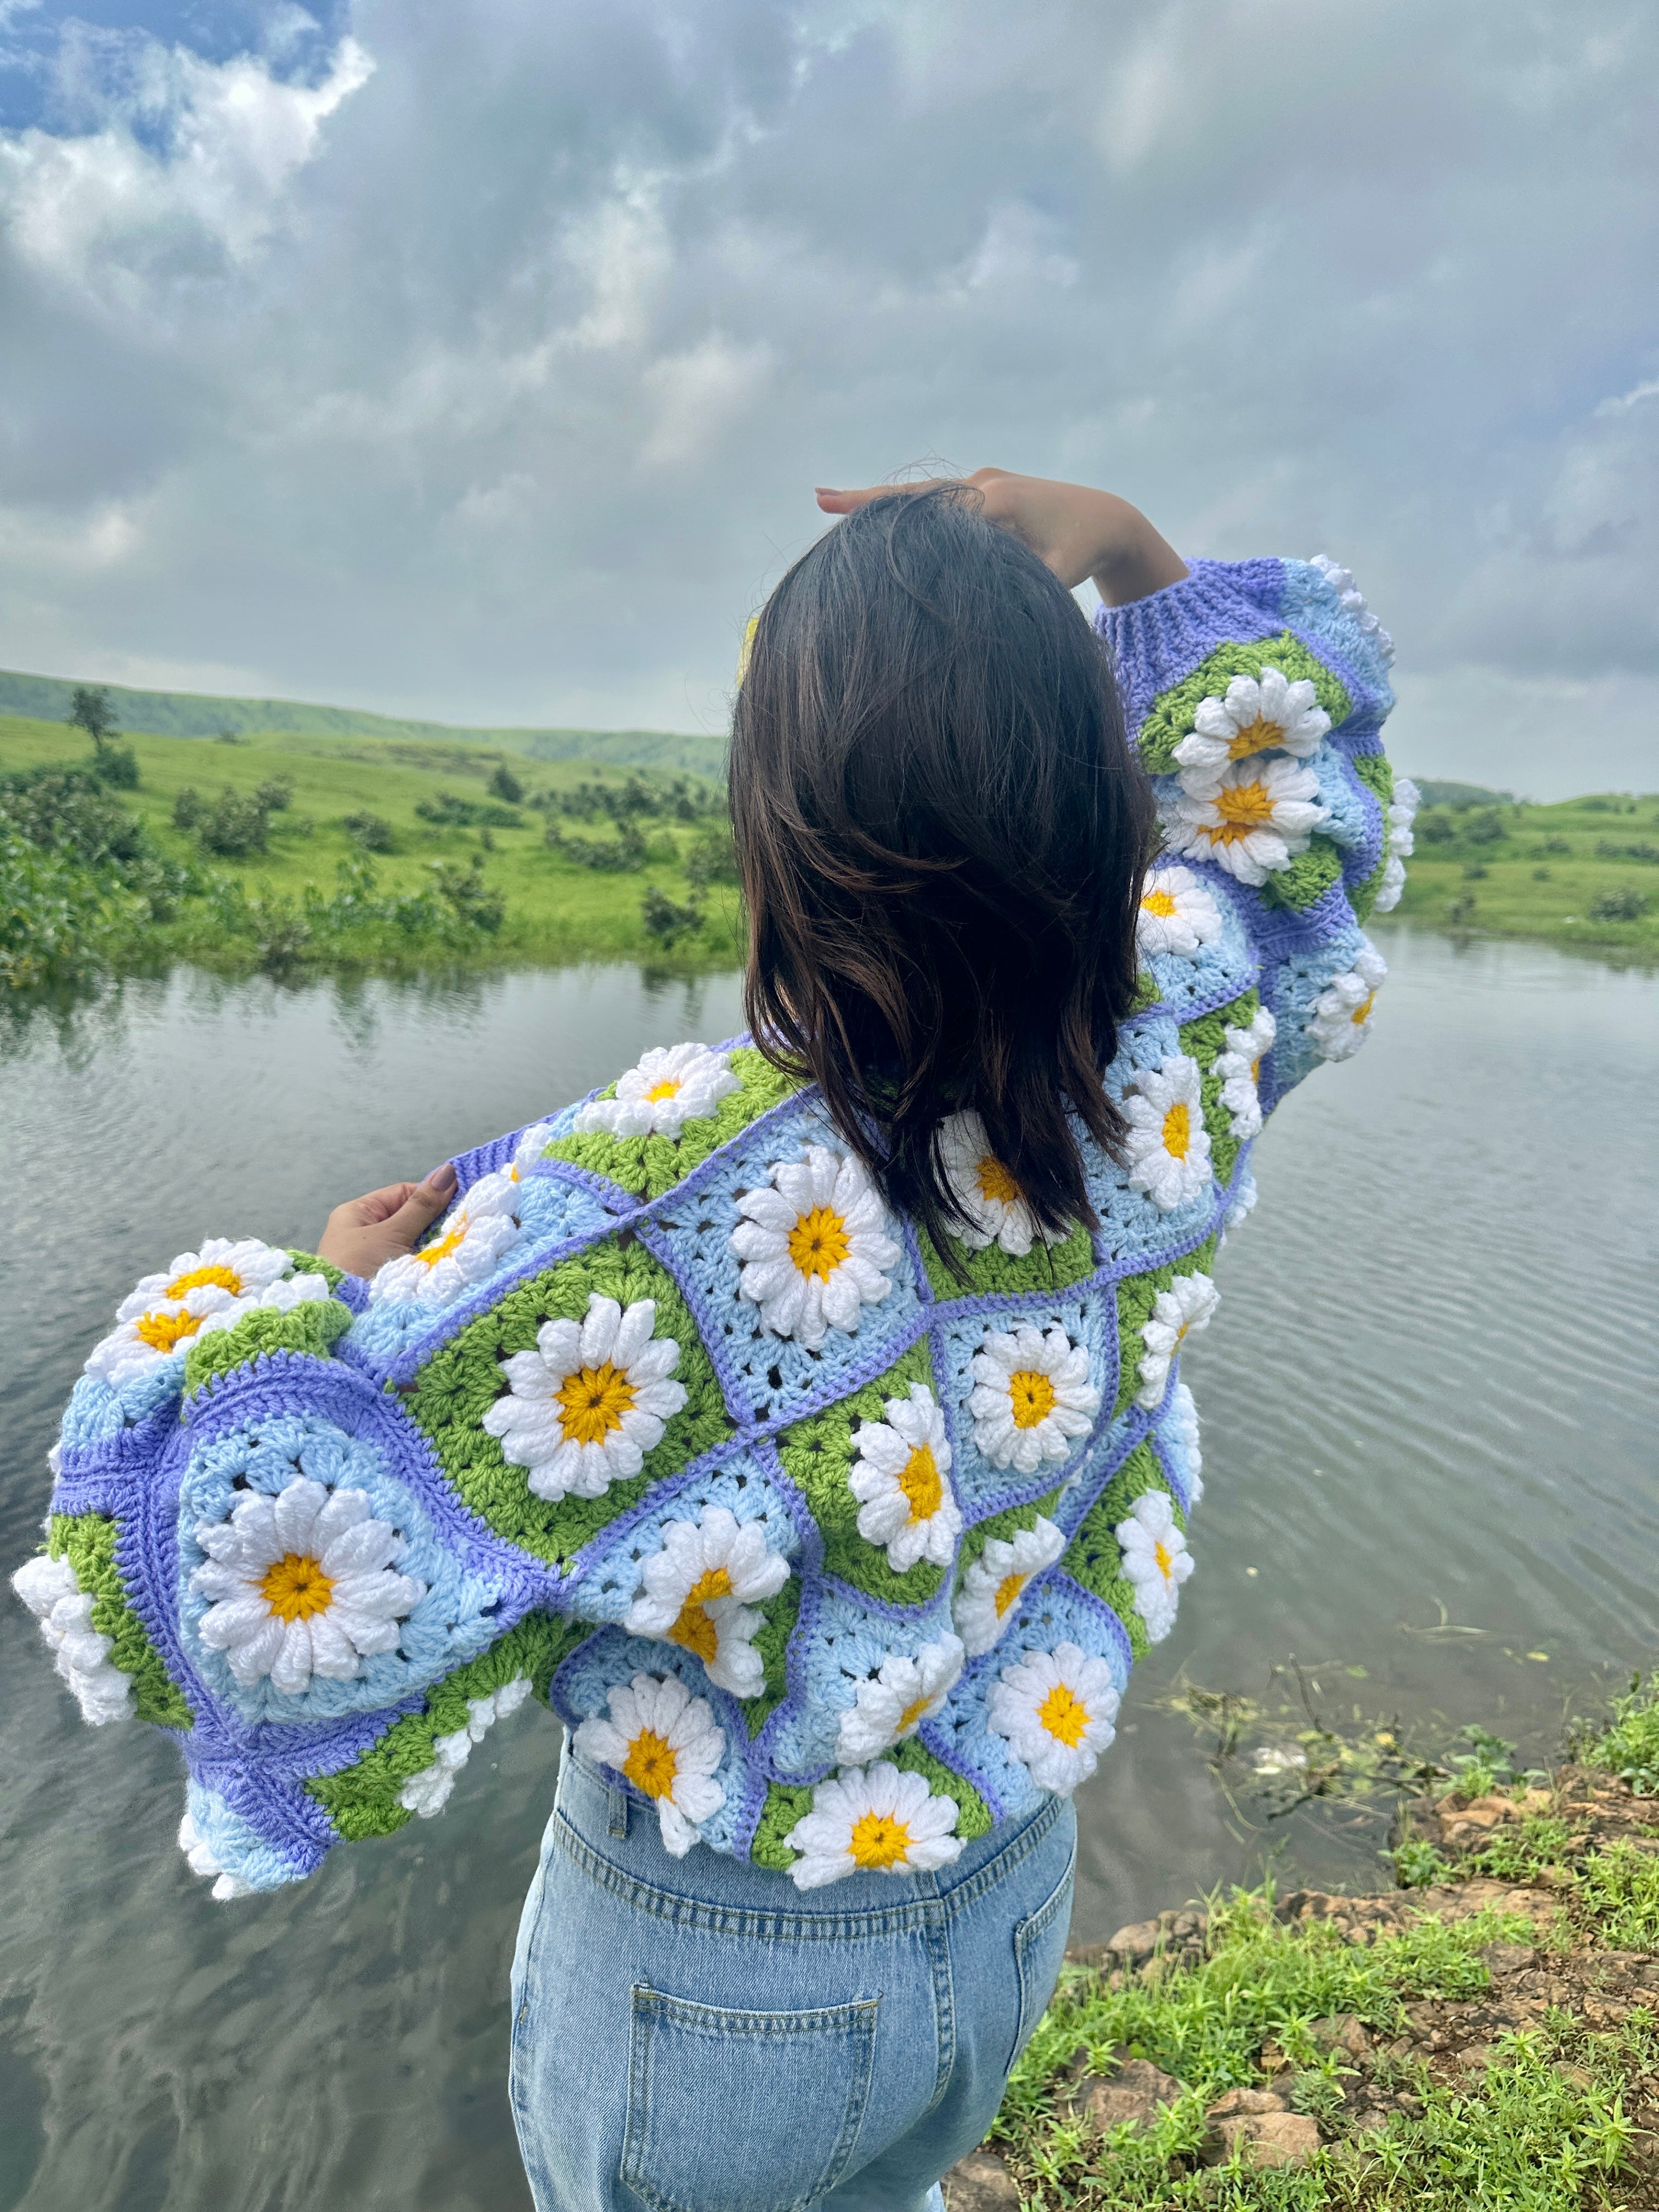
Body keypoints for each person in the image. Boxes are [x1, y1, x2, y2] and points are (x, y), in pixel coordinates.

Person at [15, 471, 1410, 2212]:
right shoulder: (1171, 1029)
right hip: (1005, 1877)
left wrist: (333, 1290)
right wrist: (1124, 543)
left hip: (729, 1963)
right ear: (1091, 801)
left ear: (783, 818)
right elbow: (1287, 837)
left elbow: (218, 1564)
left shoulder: (673, 1192)